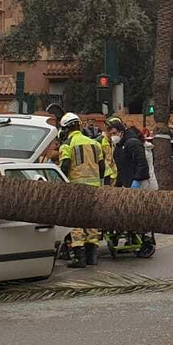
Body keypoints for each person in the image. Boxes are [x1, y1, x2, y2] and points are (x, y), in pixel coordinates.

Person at [56, 113, 104, 266]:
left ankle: (79, 257)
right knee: (92, 220)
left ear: (66, 128)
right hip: (95, 188)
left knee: (76, 221)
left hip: (76, 188)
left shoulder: (67, 144)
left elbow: (64, 167)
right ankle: (92, 257)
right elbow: (102, 167)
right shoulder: (95, 144)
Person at [108, 118, 155, 258]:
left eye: (114, 133)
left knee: (141, 213)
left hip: (140, 184)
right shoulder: (119, 147)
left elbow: (142, 166)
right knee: (132, 214)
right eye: (110, 134)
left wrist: (136, 182)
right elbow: (122, 170)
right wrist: (117, 186)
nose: (112, 136)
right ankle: (133, 238)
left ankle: (146, 240)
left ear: (121, 132)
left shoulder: (133, 143)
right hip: (129, 184)